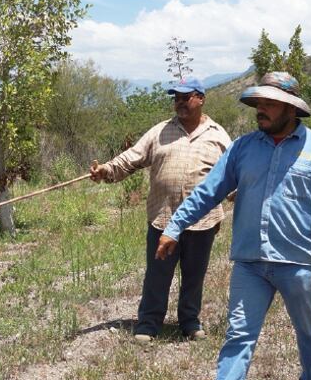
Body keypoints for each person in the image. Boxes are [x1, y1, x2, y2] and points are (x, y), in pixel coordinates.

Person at [155, 71, 311, 380]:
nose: (259, 111)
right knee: (238, 335)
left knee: (308, 330)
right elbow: (207, 193)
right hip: (249, 262)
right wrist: (174, 227)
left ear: (290, 108)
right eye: (258, 103)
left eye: (268, 104)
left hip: (297, 261)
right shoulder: (243, 148)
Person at [90, 76, 232, 342]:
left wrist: (240, 194)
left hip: (203, 221)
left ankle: (190, 322)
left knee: (194, 275)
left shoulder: (218, 135)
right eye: (176, 98)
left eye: (185, 97)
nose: (179, 102)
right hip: (163, 218)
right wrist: (106, 171)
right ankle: (148, 323)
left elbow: (233, 172)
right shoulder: (159, 132)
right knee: (157, 275)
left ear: (200, 98)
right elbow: (131, 157)